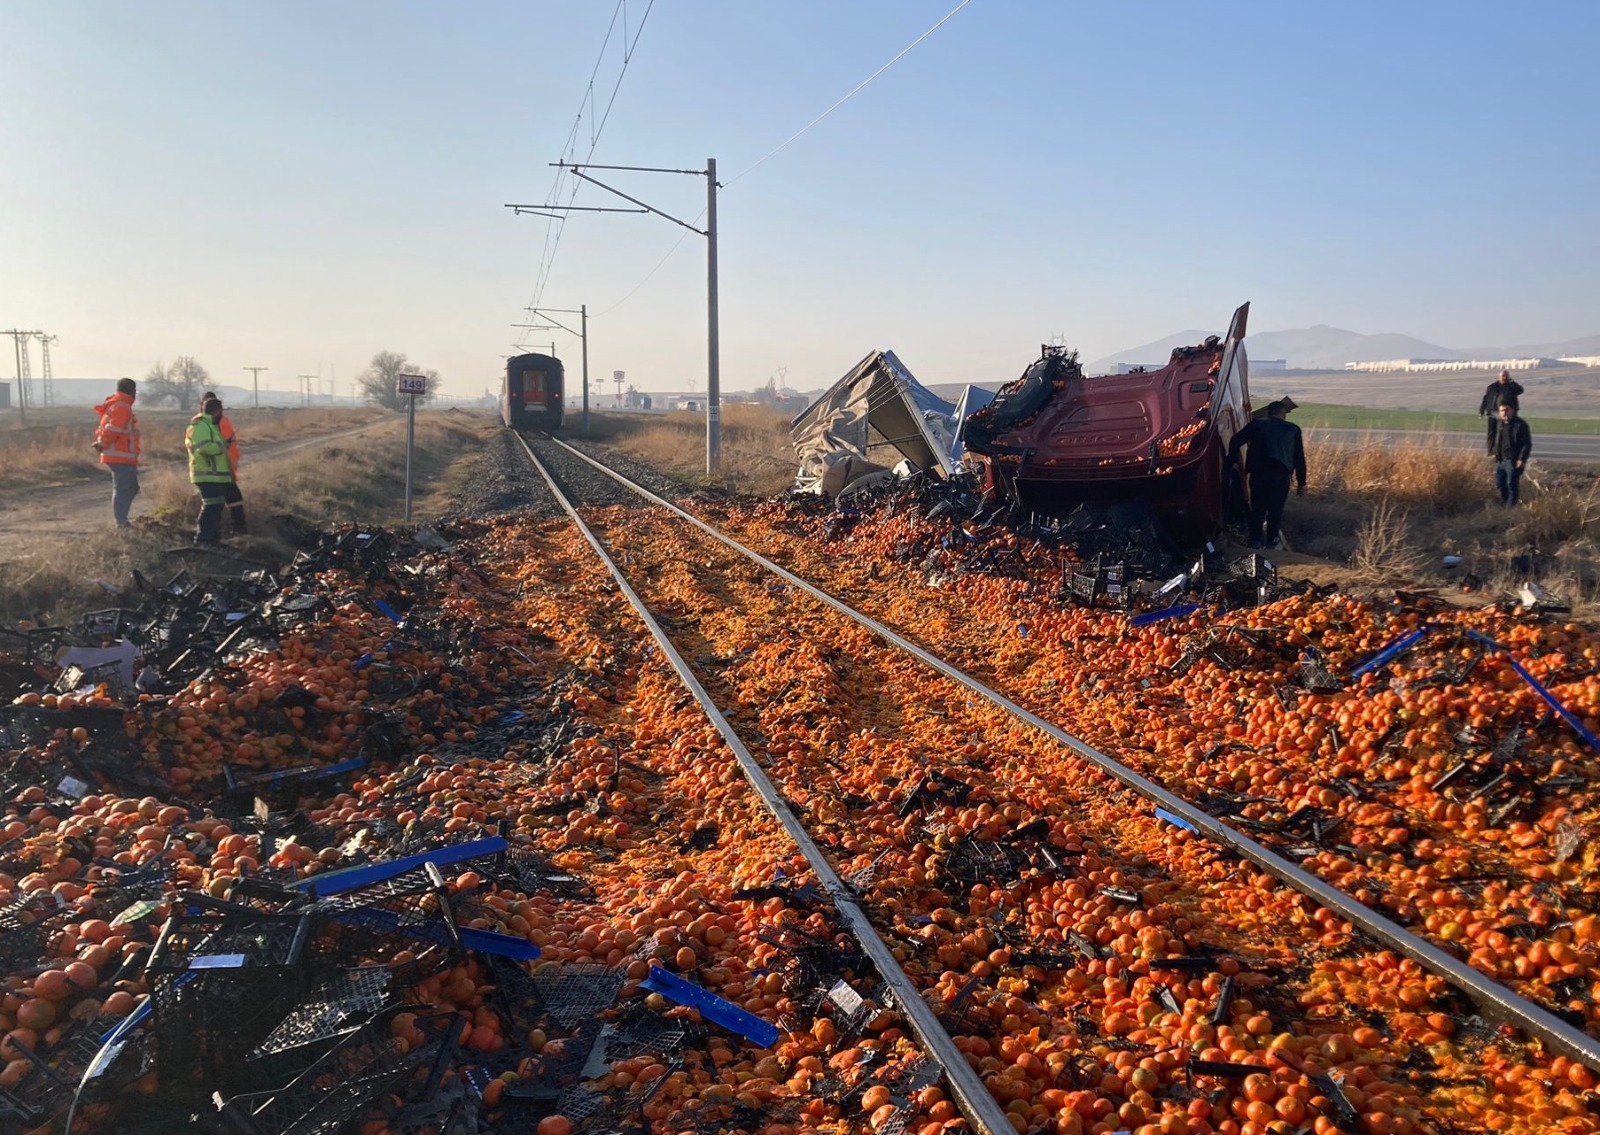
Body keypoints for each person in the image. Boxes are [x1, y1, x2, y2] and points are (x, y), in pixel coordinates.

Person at [1227, 400, 1307, 550]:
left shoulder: (1257, 425)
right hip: (1281, 476)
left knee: (1258, 508)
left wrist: (1233, 461)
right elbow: (1299, 458)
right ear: (1283, 413)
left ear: (1269, 412)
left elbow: (1235, 440)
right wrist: (1301, 483)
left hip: (1259, 474)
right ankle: (1272, 541)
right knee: (1276, 510)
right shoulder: (1293, 429)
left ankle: (1255, 541)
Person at [92, 377, 141, 528]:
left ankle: (121, 520)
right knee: (124, 488)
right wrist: (103, 443)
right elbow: (113, 429)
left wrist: (102, 444)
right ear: (132, 391)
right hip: (119, 455)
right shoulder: (122, 407)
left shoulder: (115, 404)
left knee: (130, 487)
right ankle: (121, 522)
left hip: (118, 455)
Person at [185, 397, 234, 546]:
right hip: (205, 474)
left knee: (217, 505)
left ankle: (212, 538)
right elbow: (204, 447)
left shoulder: (210, 425)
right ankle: (202, 539)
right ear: (218, 411)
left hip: (214, 476)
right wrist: (222, 447)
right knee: (211, 505)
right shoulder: (200, 426)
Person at [202, 391, 247, 534]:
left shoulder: (220, 422)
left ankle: (235, 531)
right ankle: (212, 535)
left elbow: (230, 445)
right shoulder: (201, 425)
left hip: (224, 471)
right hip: (214, 473)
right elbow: (207, 448)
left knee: (231, 501)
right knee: (215, 505)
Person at [1488, 399, 1532, 506]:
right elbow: (1495, 439)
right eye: (1502, 410)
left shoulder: (1520, 425)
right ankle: (1504, 503)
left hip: (1513, 460)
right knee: (1500, 484)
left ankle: (1511, 508)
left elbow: (1527, 444)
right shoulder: (1499, 424)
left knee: (1511, 484)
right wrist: (1493, 452)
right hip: (1500, 460)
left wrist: (1522, 459)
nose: (1504, 412)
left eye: (1507, 410)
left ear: (1512, 410)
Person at [1479, 369, 1525, 447]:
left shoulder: (1511, 386)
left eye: (1506, 376)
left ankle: (1506, 450)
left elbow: (1520, 390)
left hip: (1507, 413)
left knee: (1507, 432)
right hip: (1494, 412)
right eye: (1503, 376)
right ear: (1499, 377)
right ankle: (1491, 451)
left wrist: (1512, 382)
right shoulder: (1492, 387)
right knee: (1492, 432)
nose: (1505, 377)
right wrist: (1482, 410)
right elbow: (1486, 399)